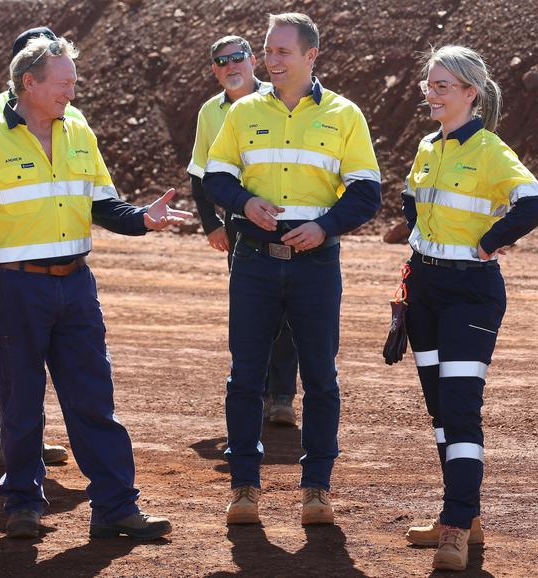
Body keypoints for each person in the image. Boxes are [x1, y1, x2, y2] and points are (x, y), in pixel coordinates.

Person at [0, 35, 190, 540]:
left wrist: (142, 219)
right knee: (19, 404)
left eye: (73, 81)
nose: (72, 90)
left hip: (76, 286)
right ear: (30, 82)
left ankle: (115, 506)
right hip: (14, 289)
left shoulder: (80, 130)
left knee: (93, 401)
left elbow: (103, 204)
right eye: (63, 81)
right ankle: (23, 503)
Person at [203, 13, 381, 526]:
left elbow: (367, 192)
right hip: (254, 262)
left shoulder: (345, 115)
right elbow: (215, 176)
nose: (269, 61)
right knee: (244, 377)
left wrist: (325, 227)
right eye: (267, 51)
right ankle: (243, 489)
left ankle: (317, 491)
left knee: (321, 379)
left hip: (315, 264)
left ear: (311, 56)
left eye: (282, 52)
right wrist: (244, 201)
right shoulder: (242, 113)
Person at [400, 45, 538, 571]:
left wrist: (489, 241)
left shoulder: (490, 149)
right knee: (441, 411)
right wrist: (420, 243)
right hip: (424, 289)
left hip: (472, 292)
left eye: (442, 86)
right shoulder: (425, 146)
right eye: (428, 84)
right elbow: (409, 198)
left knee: (461, 408)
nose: (431, 93)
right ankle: (466, 513)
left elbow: (536, 201)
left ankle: (457, 525)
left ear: (471, 92)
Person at [0, 26, 74, 468]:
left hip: (55, 253)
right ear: (25, 71)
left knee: (29, 343)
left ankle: (20, 436)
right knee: (8, 344)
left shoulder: (66, 113)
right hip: (6, 254)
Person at [188, 34, 299, 427]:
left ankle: (282, 395)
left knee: (288, 314)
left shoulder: (285, 97)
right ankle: (255, 387)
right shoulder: (209, 112)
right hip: (239, 228)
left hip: (287, 221)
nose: (231, 66)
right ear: (215, 70)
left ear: (253, 60)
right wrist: (211, 226)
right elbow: (199, 175)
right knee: (253, 312)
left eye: (238, 57)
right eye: (222, 61)